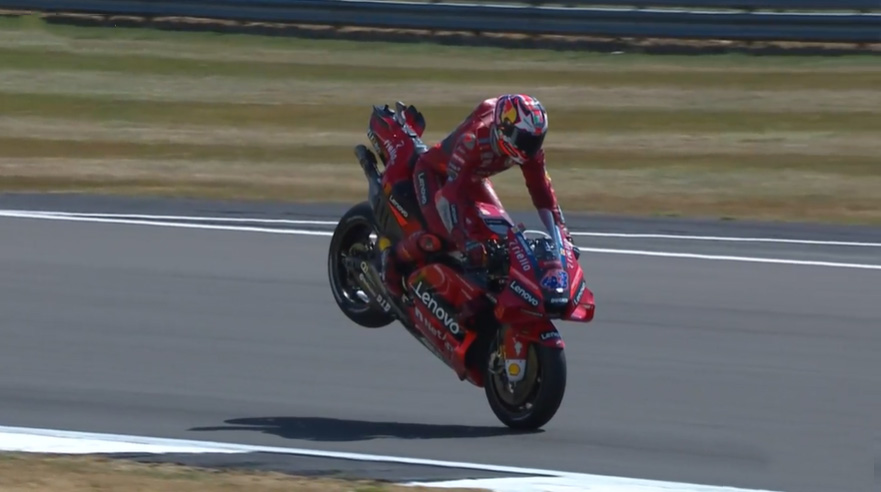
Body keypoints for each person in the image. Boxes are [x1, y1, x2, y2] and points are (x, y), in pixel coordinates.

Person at [377, 93, 574, 301]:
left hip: (472, 177)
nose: (530, 147)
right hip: (435, 173)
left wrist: (563, 235)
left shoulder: (530, 152)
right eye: (524, 140)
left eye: (536, 140)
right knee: (443, 237)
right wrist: (466, 242)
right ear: (504, 129)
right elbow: (449, 195)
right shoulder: (474, 140)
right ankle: (392, 259)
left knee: (504, 235)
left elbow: (542, 192)